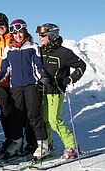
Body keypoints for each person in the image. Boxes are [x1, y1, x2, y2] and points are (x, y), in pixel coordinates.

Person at [0, 19, 49, 160]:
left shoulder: (33, 47)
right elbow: (5, 70)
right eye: (15, 33)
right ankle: (17, 143)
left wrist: (43, 77)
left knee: (34, 116)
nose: (18, 35)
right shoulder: (8, 50)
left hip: (32, 85)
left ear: (25, 32)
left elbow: (38, 66)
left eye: (20, 32)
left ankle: (43, 145)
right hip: (16, 87)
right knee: (16, 117)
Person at [0, 13, 37, 155]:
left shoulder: (14, 37)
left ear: (6, 23)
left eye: (2, 24)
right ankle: (11, 140)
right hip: (1, 83)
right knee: (6, 114)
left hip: (17, 82)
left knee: (23, 113)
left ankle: (31, 142)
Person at [37, 23, 86, 159]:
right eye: (40, 35)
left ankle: (72, 146)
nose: (40, 37)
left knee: (54, 121)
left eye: (43, 35)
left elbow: (81, 66)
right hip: (43, 90)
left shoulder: (64, 53)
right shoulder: (40, 51)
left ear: (52, 36)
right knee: (44, 120)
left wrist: (70, 79)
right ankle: (48, 144)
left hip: (56, 91)